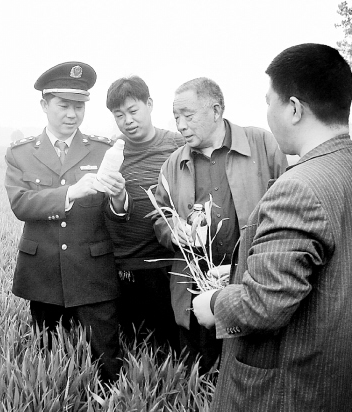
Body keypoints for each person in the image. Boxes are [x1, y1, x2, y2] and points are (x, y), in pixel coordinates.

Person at [193, 43, 352, 410]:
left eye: (269, 102)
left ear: (294, 109)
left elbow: (264, 304)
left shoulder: (298, 188)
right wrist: (241, 269)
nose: (267, 114)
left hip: (287, 389)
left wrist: (214, 303)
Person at [5, 61, 130, 382]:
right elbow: (21, 204)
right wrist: (70, 193)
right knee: (49, 361)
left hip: (93, 273)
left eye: (79, 106)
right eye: (64, 106)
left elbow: (115, 212)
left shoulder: (103, 150)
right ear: (44, 105)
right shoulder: (20, 153)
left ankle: (110, 401)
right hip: (43, 273)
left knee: (107, 361)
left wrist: (119, 197)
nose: (72, 114)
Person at [153, 77, 287, 374]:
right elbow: (159, 214)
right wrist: (174, 230)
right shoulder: (174, 163)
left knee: (249, 370)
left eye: (188, 115)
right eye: (176, 117)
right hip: (196, 289)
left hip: (250, 283)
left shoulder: (262, 144)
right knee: (198, 373)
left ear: (216, 110)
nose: (181, 125)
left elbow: (291, 202)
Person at [104, 75, 184, 355]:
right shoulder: (113, 152)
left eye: (133, 110)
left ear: (149, 104)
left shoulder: (177, 145)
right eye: (119, 115)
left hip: (167, 262)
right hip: (125, 263)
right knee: (133, 347)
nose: (127, 120)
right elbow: (106, 207)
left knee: (172, 345)